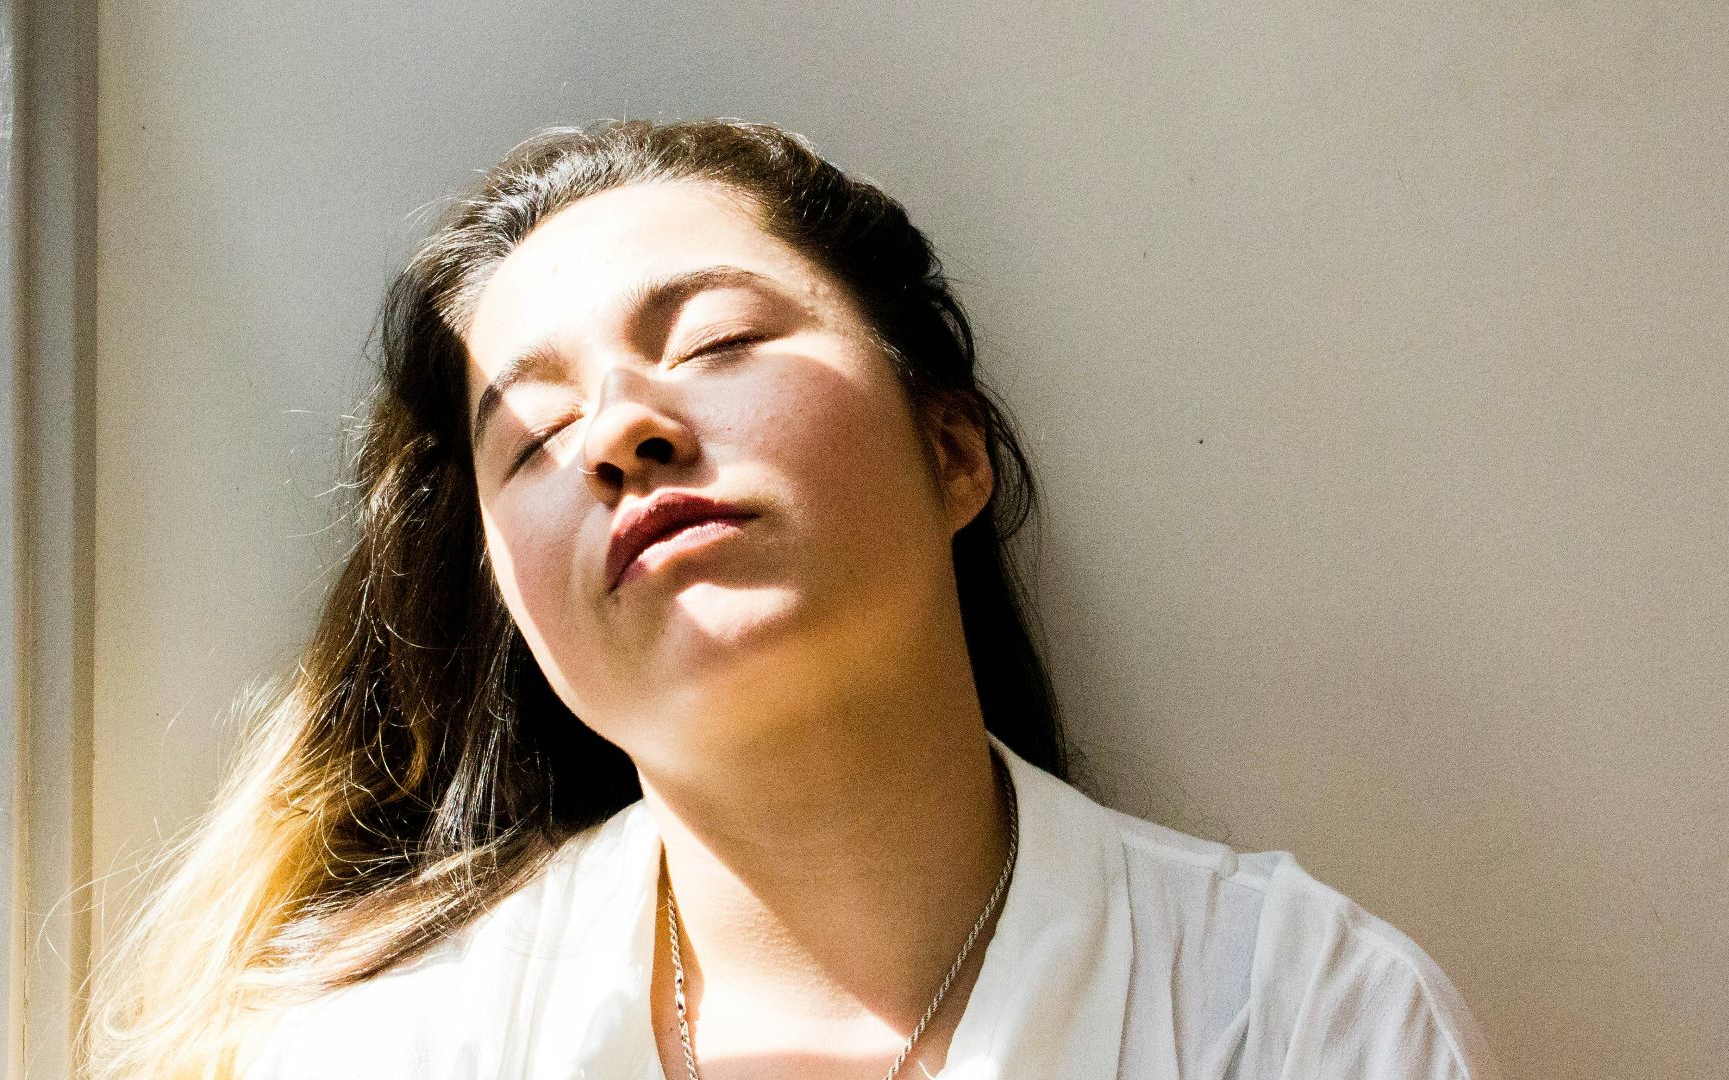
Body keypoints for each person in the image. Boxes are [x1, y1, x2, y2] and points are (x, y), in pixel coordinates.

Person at [82, 118, 1503, 1080]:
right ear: (517, 601)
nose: (620, 434)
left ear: (952, 452)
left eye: (714, 340)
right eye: (532, 437)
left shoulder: (1294, 1013)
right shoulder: (393, 1057)